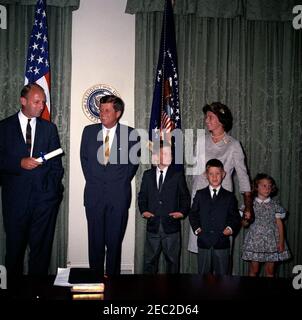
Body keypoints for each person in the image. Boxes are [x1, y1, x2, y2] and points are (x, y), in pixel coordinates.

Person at [0, 83, 64, 276]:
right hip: (15, 203)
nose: (41, 106)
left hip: (44, 203)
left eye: (43, 102)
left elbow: (56, 167)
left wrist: (52, 195)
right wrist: (19, 163)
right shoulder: (3, 127)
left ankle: (38, 293)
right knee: (14, 253)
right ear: (23, 101)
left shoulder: (49, 129)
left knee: (41, 255)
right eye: (37, 102)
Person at [80, 95, 140, 276]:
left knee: (114, 243)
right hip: (94, 196)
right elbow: (84, 160)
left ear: (118, 113)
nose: (102, 114)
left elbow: (132, 165)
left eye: (107, 110)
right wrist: (96, 181)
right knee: (95, 243)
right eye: (101, 110)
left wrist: (116, 183)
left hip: (118, 198)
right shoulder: (88, 131)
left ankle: (114, 283)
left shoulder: (131, 134)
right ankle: (95, 280)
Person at [188, 102, 253, 253]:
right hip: (201, 200)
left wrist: (248, 206)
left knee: (221, 251)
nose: (206, 120)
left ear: (221, 120)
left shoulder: (234, 145)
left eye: (210, 117)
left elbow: (243, 177)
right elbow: (195, 173)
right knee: (202, 249)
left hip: (222, 202)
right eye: (206, 117)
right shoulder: (201, 141)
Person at [138, 141, 190, 274]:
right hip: (153, 226)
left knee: (173, 262)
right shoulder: (147, 175)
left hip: (171, 227)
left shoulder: (177, 175)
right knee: (149, 261)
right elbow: (142, 196)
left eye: (169, 154)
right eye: (162, 153)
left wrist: (182, 212)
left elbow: (185, 197)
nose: (166, 156)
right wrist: (143, 210)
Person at [189, 159, 241, 275]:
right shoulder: (200, 194)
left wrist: (230, 228)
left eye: (217, 173)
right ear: (206, 175)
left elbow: (235, 217)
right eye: (211, 174)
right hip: (204, 242)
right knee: (202, 276)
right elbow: (193, 214)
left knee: (223, 278)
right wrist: (197, 229)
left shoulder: (229, 196)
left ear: (223, 174)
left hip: (222, 243)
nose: (214, 177)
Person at [242, 173, 291, 277]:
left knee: (270, 271)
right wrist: (246, 219)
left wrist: (281, 242)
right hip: (255, 242)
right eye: (264, 186)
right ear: (256, 187)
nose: (267, 188)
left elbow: (280, 224)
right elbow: (244, 224)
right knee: (254, 270)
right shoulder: (250, 204)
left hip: (272, 242)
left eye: (269, 186)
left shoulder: (275, 205)